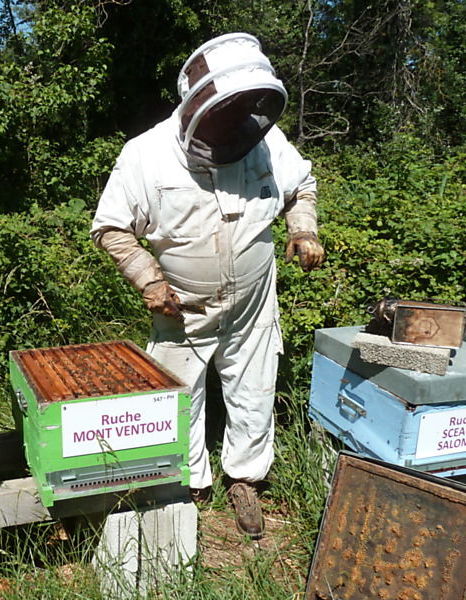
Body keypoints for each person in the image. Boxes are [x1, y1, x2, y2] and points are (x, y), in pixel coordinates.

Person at [90, 33, 324, 539]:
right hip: (181, 305)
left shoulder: (264, 139)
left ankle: (245, 479)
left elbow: (300, 184)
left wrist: (303, 228)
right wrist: (149, 280)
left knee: (255, 388)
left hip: (254, 301)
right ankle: (189, 482)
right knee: (179, 393)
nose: (231, 133)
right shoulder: (145, 155)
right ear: (195, 107)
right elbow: (110, 227)